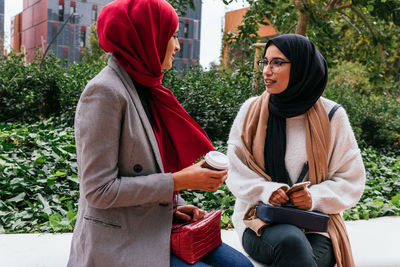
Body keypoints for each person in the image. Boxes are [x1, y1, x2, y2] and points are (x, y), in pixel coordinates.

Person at [67, 0, 253, 266]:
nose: (177, 46)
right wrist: (177, 181)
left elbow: (146, 165)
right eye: (173, 35)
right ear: (147, 35)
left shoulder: (145, 85)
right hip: (120, 239)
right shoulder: (104, 92)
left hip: (154, 224)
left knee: (242, 265)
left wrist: (173, 208)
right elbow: (99, 190)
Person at [226, 34, 366, 267]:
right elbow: (235, 169)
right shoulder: (251, 111)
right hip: (260, 222)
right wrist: (268, 191)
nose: (266, 71)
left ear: (301, 66)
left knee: (300, 257)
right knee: (292, 243)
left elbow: (351, 178)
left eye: (277, 63)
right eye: (265, 62)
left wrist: (314, 197)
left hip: (317, 226)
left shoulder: (332, 116)